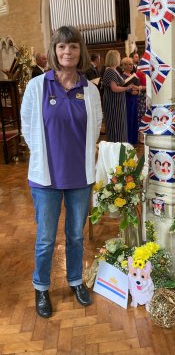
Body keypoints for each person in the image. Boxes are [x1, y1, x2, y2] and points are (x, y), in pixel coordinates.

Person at [20, 26, 102, 318]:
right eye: (62, 47)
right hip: (46, 177)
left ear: (81, 51)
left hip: (79, 176)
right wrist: (45, 155)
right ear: (55, 51)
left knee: (76, 236)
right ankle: (41, 286)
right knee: (45, 237)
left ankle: (76, 280)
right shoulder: (38, 86)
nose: (67, 52)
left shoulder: (90, 90)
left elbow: (96, 125)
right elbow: (27, 126)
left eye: (73, 47)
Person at [102, 50, 134, 142]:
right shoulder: (110, 71)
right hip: (114, 104)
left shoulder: (114, 70)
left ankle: (121, 147)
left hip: (118, 103)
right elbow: (114, 88)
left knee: (120, 126)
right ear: (114, 58)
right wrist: (127, 88)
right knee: (116, 127)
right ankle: (116, 149)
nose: (120, 59)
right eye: (119, 57)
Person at [121, 57, 141, 145]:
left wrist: (138, 90)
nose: (131, 66)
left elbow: (138, 86)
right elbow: (121, 87)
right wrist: (130, 91)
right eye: (129, 64)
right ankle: (128, 141)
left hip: (134, 99)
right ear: (124, 66)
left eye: (132, 64)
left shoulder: (134, 75)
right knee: (128, 120)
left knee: (134, 119)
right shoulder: (122, 76)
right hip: (127, 99)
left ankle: (134, 140)